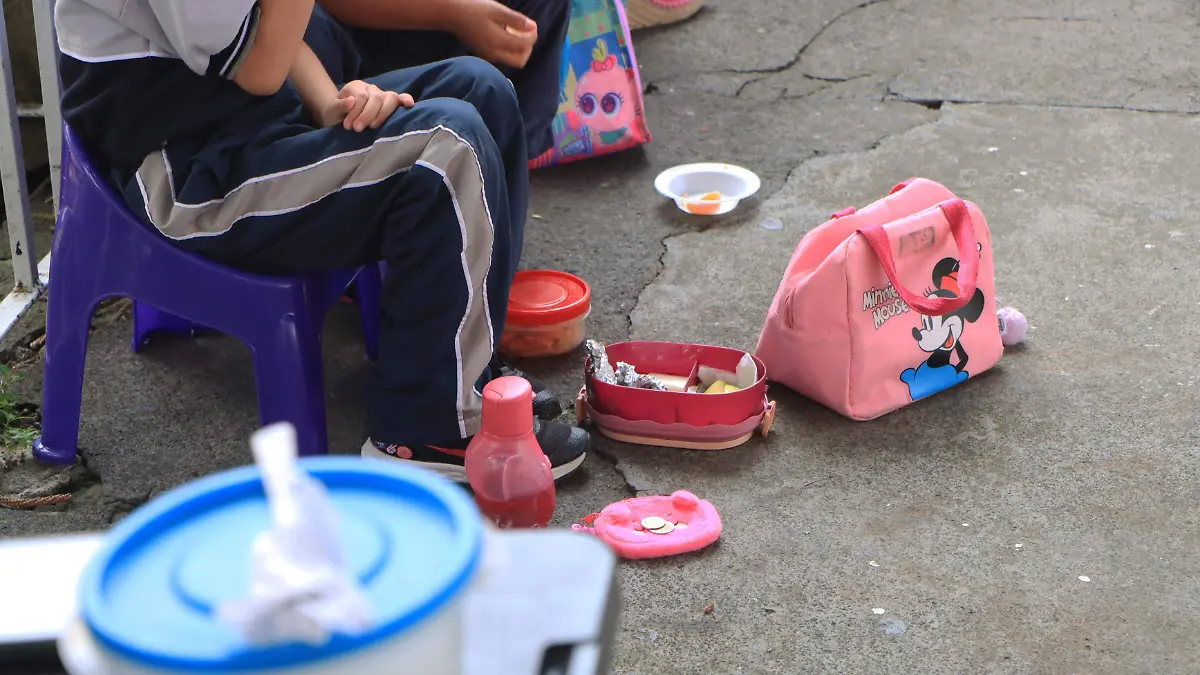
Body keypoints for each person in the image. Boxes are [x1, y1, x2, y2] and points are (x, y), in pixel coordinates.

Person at [53, 0, 590, 481]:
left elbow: (262, 26)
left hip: (252, 122)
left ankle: (463, 372)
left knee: (481, 90)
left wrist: (330, 99)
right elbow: (260, 65)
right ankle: (430, 429)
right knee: (445, 148)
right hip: (188, 174)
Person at [317, 0, 570, 164]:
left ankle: (504, 167)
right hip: (348, 49)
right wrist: (453, 13)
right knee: (478, 81)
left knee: (481, 86)